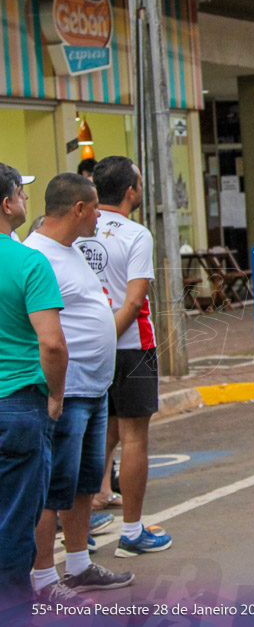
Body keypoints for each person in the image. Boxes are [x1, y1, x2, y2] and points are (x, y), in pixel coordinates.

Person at [23, 174, 134, 604]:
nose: (101, 220)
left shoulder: (70, 252)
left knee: (84, 484)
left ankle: (78, 564)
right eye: (96, 210)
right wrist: (53, 391)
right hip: (64, 394)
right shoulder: (37, 256)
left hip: (93, 388)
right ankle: (44, 577)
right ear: (79, 210)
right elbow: (42, 334)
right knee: (52, 488)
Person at [75, 156, 172, 557]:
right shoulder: (136, 234)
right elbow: (134, 303)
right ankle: (132, 532)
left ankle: (77, 530)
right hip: (130, 345)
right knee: (134, 437)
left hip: (80, 349)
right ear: (131, 192)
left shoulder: (74, 232)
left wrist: (92, 344)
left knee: (88, 436)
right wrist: (105, 340)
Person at [0, 165, 67, 618]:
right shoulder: (28, 262)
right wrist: (57, 396)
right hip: (19, 404)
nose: (27, 200)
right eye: (21, 194)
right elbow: (52, 343)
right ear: (7, 204)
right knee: (13, 525)